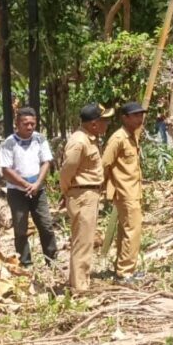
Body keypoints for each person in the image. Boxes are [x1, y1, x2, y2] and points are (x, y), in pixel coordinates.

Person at [60, 103, 111, 293]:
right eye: (104, 120)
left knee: (84, 240)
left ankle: (79, 282)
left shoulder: (90, 138)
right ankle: (80, 287)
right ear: (94, 124)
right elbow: (67, 171)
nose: (107, 124)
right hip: (82, 194)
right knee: (83, 242)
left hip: (87, 193)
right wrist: (67, 191)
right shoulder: (79, 141)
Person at [0, 107, 57, 269]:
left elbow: (46, 162)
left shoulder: (40, 139)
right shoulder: (9, 143)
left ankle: (52, 260)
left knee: (46, 225)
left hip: (38, 190)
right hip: (17, 192)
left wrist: (37, 184)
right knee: (20, 228)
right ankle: (25, 263)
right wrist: (25, 185)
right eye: (26, 124)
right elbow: (6, 170)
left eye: (33, 123)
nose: (30, 127)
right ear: (17, 124)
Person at [103, 102, 147, 283]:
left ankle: (122, 268)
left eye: (141, 115)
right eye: (136, 115)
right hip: (125, 191)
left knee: (125, 231)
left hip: (132, 190)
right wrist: (106, 187)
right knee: (132, 230)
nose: (140, 118)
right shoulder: (118, 138)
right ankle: (125, 272)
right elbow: (105, 163)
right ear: (125, 118)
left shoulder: (132, 136)